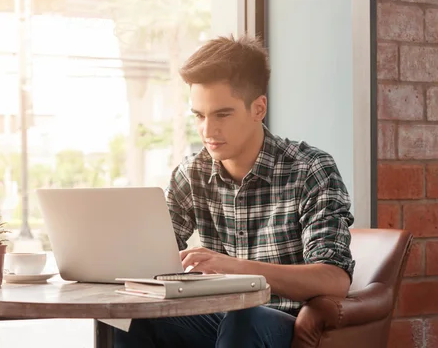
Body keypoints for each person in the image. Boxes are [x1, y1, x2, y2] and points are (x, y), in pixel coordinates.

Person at [114, 35, 356, 348]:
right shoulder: (192, 174)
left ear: (258, 108)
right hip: (218, 318)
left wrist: (233, 267)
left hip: (279, 321)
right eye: (199, 115)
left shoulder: (310, 170)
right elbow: (154, 256)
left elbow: (334, 280)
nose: (207, 131)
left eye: (222, 114)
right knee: (129, 318)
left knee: (244, 318)